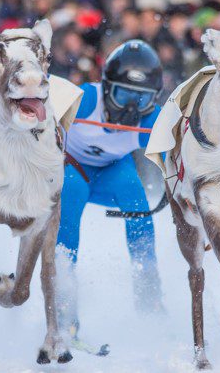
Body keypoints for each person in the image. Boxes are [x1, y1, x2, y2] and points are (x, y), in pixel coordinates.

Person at [56, 40, 164, 340]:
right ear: (106, 88)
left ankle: (149, 296)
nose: (131, 108)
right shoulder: (86, 100)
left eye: (141, 100)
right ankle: (63, 305)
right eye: (123, 94)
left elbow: (175, 158)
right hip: (73, 166)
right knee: (71, 195)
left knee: (135, 196)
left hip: (112, 170)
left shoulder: (151, 119)